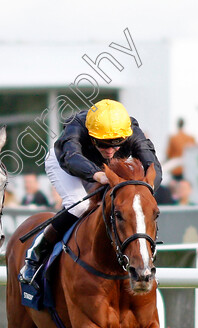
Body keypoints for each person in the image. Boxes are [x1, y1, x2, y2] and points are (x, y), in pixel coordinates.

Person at [19, 99, 163, 285]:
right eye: (103, 144)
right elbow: (72, 158)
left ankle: (138, 256)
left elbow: (154, 166)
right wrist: (97, 175)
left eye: (117, 144)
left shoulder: (131, 130)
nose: (110, 151)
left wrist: (146, 189)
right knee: (80, 205)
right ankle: (36, 254)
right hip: (65, 163)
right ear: (92, 135)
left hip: (106, 169)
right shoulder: (76, 127)